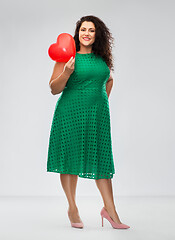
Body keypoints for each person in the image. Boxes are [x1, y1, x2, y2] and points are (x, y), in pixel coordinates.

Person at [47, 15, 130, 229]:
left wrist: (102, 103)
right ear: (77, 33)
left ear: (97, 34)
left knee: (102, 160)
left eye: (91, 30)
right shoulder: (68, 56)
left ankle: (111, 211)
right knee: (70, 159)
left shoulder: (102, 57)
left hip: (98, 116)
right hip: (70, 113)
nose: (87, 33)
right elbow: (54, 88)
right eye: (83, 29)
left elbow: (108, 79)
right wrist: (66, 72)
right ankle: (72, 207)